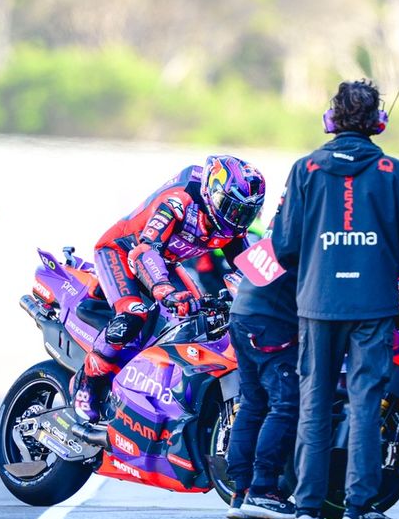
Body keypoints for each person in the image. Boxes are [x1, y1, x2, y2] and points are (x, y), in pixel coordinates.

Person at [273, 79, 399, 519]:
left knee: (314, 400)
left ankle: (306, 507)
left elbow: (284, 245)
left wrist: (324, 256)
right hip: (373, 303)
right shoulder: (395, 173)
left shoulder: (305, 170)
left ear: (332, 119)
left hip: (317, 302)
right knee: (365, 402)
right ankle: (358, 508)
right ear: (379, 121)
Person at [72, 155, 265, 422]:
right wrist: (165, 290)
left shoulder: (232, 227)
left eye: (245, 212)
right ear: (213, 193)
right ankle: (87, 384)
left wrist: (284, 295)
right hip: (121, 251)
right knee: (132, 315)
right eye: (233, 209)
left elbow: (257, 269)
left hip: (165, 261)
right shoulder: (179, 200)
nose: (238, 218)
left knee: (197, 321)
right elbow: (145, 249)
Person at [225, 222, 299, 519]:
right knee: (286, 405)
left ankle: (240, 492)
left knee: (253, 404)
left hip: (242, 313)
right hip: (270, 323)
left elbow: (249, 265)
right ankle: (264, 490)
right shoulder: (319, 225)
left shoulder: (282, 224)